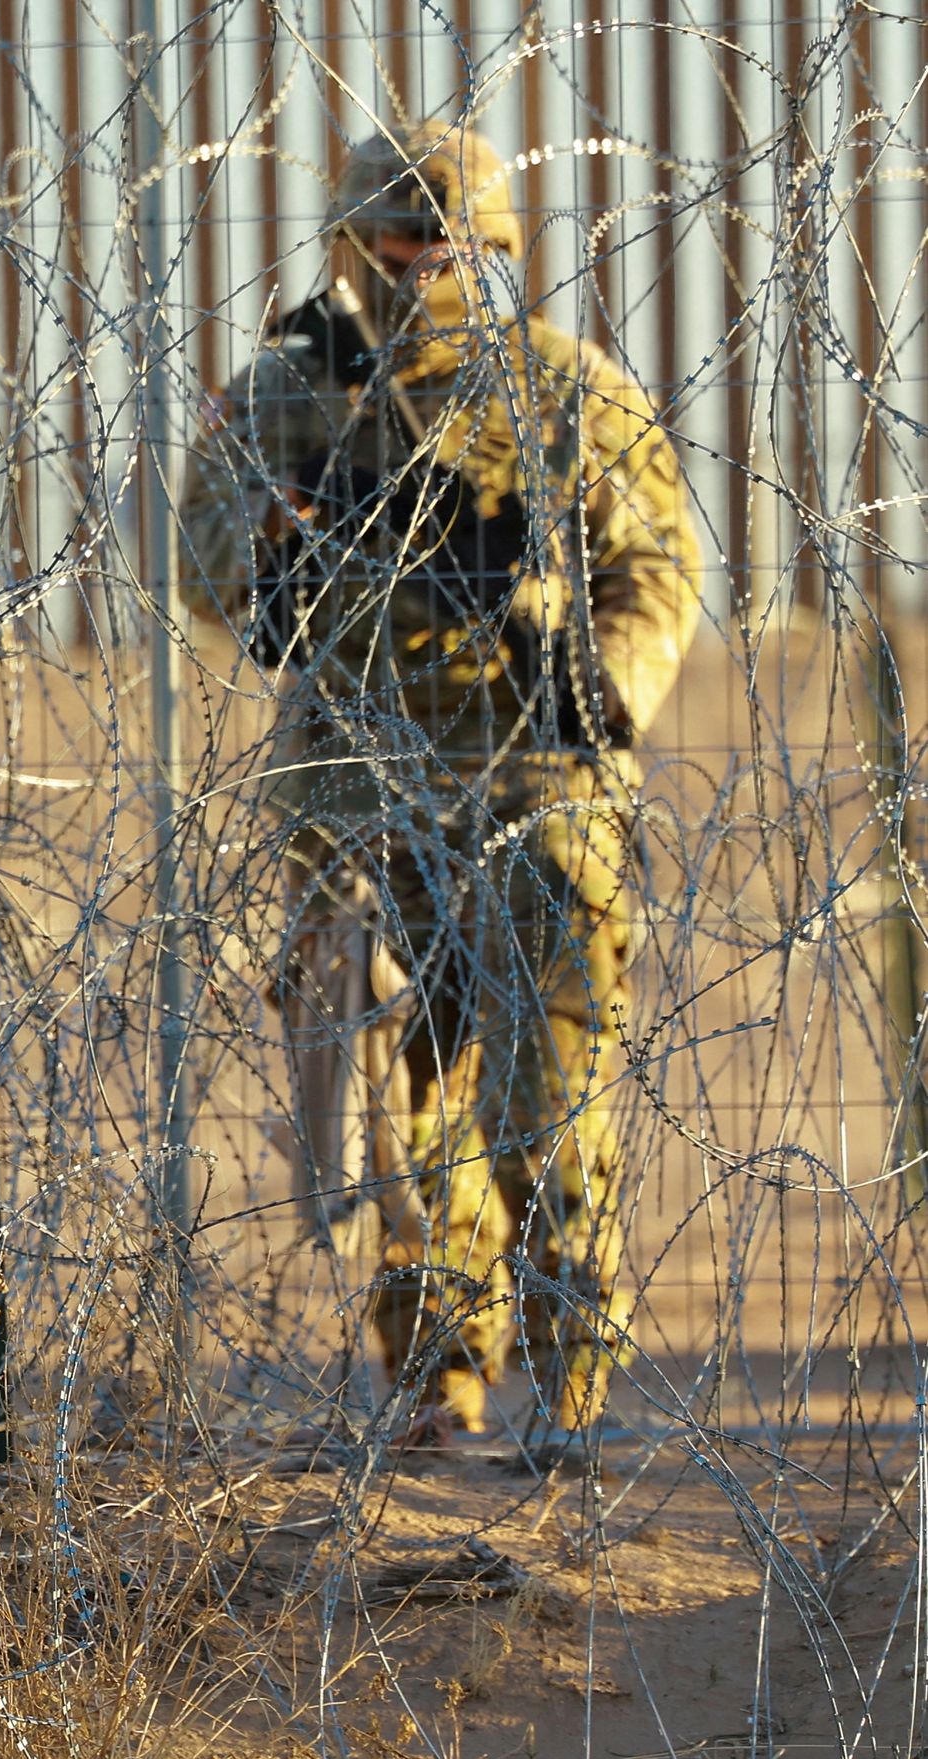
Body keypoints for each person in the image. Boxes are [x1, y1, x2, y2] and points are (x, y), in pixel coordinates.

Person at [182, 120, 700, 1456]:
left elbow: (655, 567)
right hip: (359, 791)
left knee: (546, 1099)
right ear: (355, 241)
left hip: (538, 783)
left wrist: (602, 692)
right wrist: (288, 561)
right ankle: (435, 1378)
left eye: (451, 238)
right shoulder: (288, 396)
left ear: (497, 247)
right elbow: (209, 557)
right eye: (401, 237)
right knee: (398, 1119)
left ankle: (571, 1377)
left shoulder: (568, 394)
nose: (424, 262)